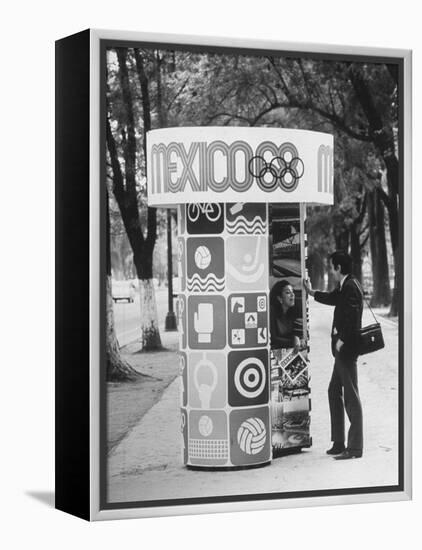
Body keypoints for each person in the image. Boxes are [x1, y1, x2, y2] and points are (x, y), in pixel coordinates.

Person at [303, 251, 364, 460]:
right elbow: (333, 298)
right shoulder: (346, 285)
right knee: (333, 391)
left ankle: (354, 448)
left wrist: (342, 339)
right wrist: (312, 293)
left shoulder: (351, 287)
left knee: (351, 396)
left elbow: (353, 317)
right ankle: (339, 442)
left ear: (338, 268)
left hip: (346, 349)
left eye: (332, 266)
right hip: (342, 349)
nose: (330, 269)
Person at [270, 280, 304, 353]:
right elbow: (273, 339)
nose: (292, 295)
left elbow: (291, 334)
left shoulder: (291, 312)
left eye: (292, 291)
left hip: (287, 351)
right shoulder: (271, 312)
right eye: (288, 292)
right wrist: (293, 342)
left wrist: (296, 338)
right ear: (280, 298)